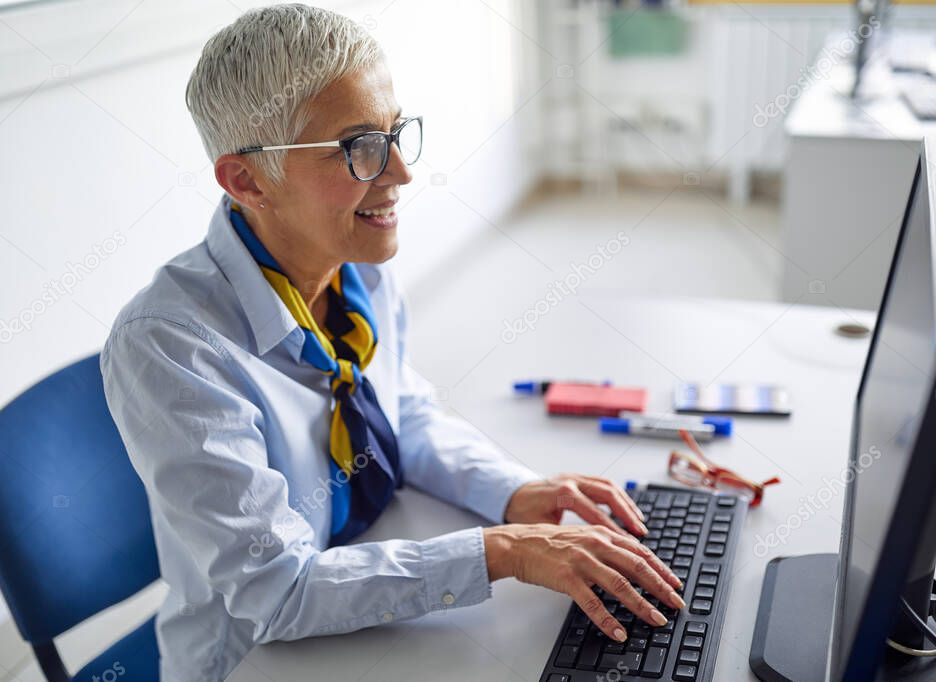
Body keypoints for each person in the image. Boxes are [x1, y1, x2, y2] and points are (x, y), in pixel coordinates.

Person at [100, 5, 684, 680]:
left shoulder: (352, 267)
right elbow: (275, 592)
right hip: (256, 659)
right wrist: (504, 552)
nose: (401, 172)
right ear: (247, 181)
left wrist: (514, 494)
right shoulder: (172, 346)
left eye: (395, 132)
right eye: (358, 148)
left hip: (370, 567)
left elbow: (401, 414)